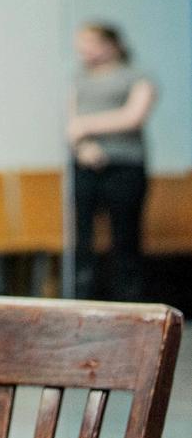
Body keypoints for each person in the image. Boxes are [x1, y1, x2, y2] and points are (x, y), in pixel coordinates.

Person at [68, 22, 157, 301]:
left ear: (111, 44)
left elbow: (134, 116)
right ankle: (83, 299)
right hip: (86, 165)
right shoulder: (79, 78)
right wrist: (82, 146)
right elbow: (70, 121)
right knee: (83, 238)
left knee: (125, 237)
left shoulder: (136, 76)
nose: (84, 50)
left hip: (125, 166)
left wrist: (86, 125)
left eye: (91, 42)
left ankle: (128, 300)